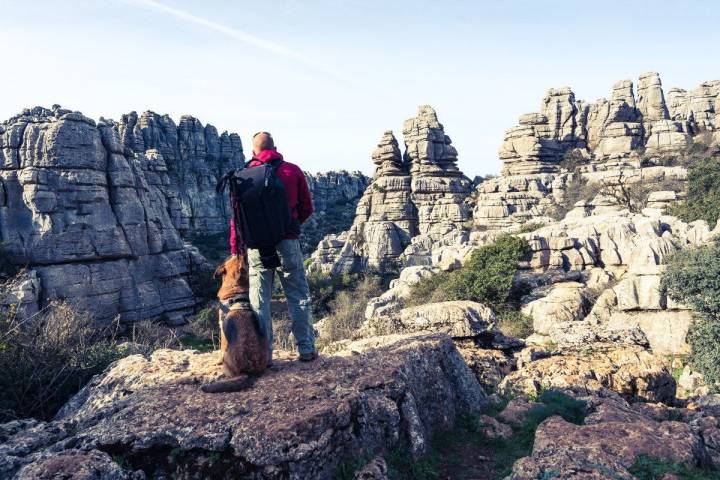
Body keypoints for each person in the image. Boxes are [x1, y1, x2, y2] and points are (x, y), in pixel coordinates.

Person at [229, 132, 317, 363]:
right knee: (297, 295)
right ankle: (306, 349)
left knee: (259, 301)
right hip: (287, 242)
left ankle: (264, 356)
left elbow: (236, 220)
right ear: (275, 148)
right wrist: (291, 227)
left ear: (253, 153)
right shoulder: (292, 170)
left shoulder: (242, 176)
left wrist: (236, 249)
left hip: (257, 245)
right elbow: (307, 207)